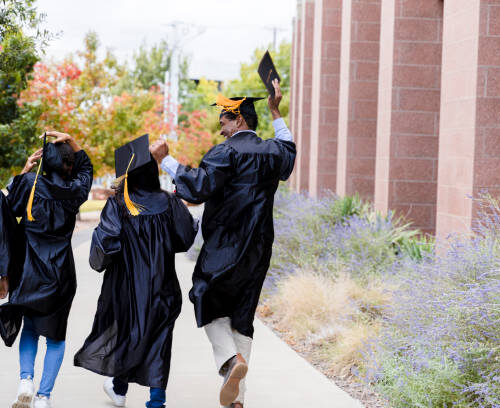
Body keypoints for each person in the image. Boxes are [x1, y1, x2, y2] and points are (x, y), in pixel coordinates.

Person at [150, 79, 296, 408]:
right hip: (259, 249)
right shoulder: (273, 152)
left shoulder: (226, 152)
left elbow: (198, 188)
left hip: (225, 245)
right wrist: (276, 112)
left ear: (238, 119)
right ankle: (237, 400)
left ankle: (230, 360)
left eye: (224, 121)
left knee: (204, 295)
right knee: (242, 316)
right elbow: (289, 150)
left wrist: (167, 161)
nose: (221, 130)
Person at [74, 135, 198, 408]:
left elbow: (105, 245)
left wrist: (102, 257)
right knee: (159, 340)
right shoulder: (169, 202)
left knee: (129, 333)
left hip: (126, 286)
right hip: (163, 285)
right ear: (152, 172)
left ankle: (119, 387)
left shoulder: (119, 205)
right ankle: (155, 399)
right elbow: (185, 238)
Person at [0, 132, 93, 408]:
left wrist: (24, 171)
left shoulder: (29, 184)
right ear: (68, 165)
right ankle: (44, 396)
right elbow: (86, 169)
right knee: (55, 336)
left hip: (28, 269)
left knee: (29, 328)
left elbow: (7, 206)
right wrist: (72, 140)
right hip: (60, 271)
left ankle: (26, 380)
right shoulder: (75, 190)